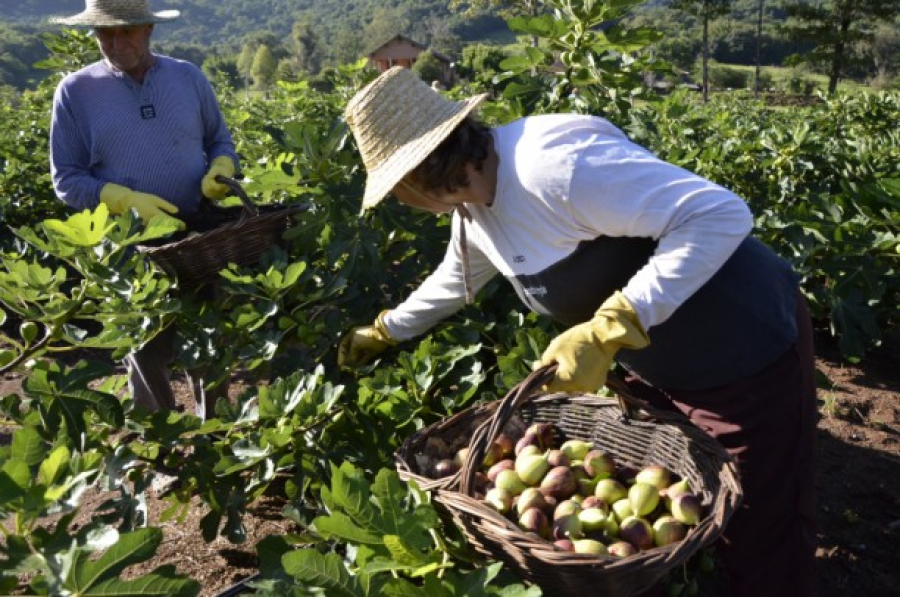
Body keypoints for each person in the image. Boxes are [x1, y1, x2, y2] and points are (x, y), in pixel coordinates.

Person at [338, 66, 818, 596]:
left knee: (758, 515)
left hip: (738, 345)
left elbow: (718, 214)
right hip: (656, 363)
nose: (401, 201)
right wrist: (386, 331)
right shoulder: (474, 207)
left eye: (397, 188)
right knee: (683, 500)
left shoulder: (553, 168)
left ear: (420, 172)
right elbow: (457, 278)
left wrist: (615, 324)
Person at [49, 0, 239, 419]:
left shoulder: (187, 78)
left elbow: (219, 141)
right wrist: (123, 200)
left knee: (208, 342)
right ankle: (158, 441)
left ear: (149, 28)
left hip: (198, 237)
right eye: (105, 33)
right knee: (145, 348)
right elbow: (67, 179)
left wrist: (222, 168)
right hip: (130, 248)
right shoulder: (76, 92)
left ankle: (220, 438)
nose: (116, 43)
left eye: (127, 31)